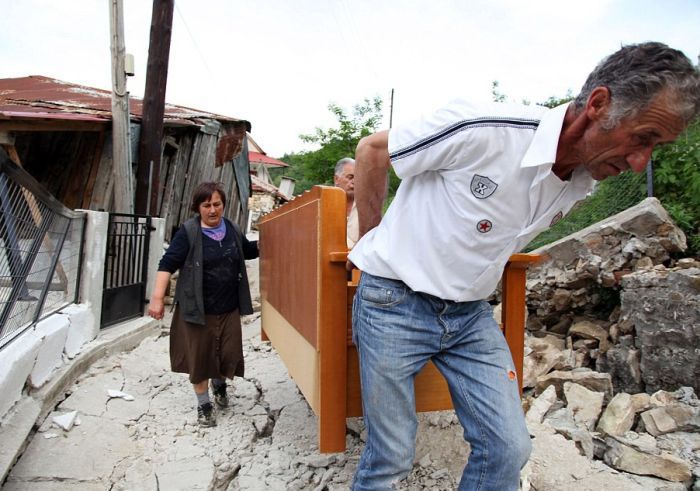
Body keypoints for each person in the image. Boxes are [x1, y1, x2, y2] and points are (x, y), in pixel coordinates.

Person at [347, 42, 700, 490]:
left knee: (509, 448)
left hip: (469, 317)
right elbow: (374, 151)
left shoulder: (584, 181)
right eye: (643, 137)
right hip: (393, 302)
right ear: (598, 104)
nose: (639, 163)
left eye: (656, 147)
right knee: (391, 458)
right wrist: (369, 244)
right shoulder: (488, 128)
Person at [148, 182, 258, 427]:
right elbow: (167, 264)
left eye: (217, 204)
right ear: (198, 207)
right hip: (197, 309)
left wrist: (270, 237)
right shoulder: (188, 232)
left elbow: (247, 251)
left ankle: (219, 385)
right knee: (199, 359)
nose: (212, 210)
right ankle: (203, 405)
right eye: (206, 205)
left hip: (228, 307)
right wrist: (157, 298)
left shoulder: (230, 227)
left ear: (223, 205)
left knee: (227, 353)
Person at [334, 157, 359, 248]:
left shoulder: (368, 208)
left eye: (358, 177)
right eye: (350, 177)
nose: (354, 182)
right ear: (336, 179)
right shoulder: (321, 206)